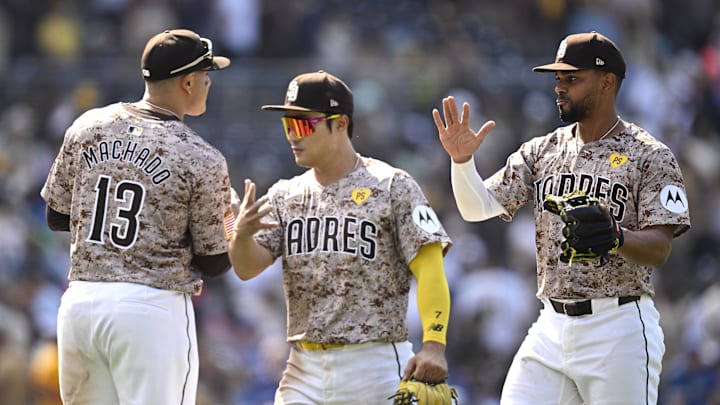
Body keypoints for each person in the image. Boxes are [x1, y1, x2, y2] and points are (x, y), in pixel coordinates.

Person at [433, 31, 691, 404]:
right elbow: (478, 208)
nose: (560, 87)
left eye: (572, 78)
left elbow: (661, 247)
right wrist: (462, 163)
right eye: (558, 78)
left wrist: (616, 237)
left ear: (607, 82)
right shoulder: (543, 150)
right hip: (551, 326)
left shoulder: (650, 155)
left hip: (617, 326)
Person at [229, 70, 453, 404]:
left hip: (375, 364)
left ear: (341, 123)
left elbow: (430, 266)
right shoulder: (285, 194)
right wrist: (241, 236)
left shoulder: (392, 185)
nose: (293, 135)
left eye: (304, 124)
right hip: (303, 367)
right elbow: (247, 269)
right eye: (288, 124)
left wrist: (434, 344)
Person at [40, 28, 235, 404]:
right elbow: (214, 263)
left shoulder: (88, 126)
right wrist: (233, 224)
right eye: (207, 75)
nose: (209, 82)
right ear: (189, 82)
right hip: (150, 311)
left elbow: (56, 216)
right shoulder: (202, 156)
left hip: (81, 303)